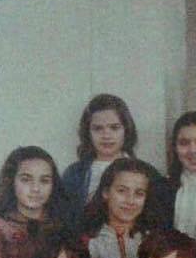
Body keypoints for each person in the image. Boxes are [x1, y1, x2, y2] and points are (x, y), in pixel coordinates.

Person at [59, 94, 165, 226]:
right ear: (87, 132)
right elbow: (63, 221)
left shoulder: (148, 173)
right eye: (98, 128)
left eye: (114, 128)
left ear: (126, 130)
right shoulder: (74, 174)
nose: (106, 135)